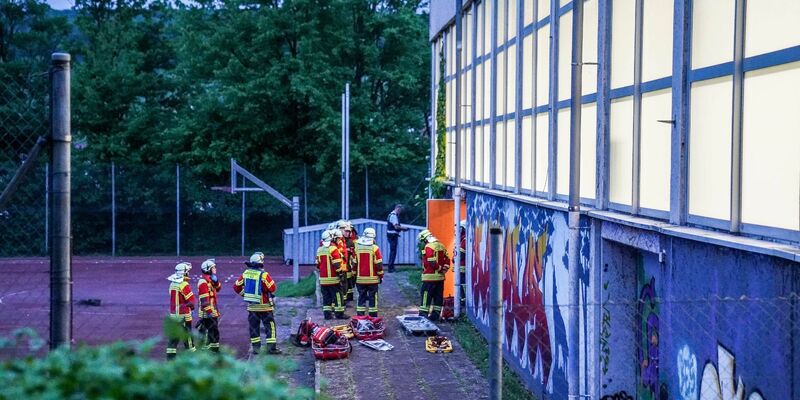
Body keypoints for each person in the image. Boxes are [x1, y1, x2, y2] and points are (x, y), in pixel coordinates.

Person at [233, 252, 282, 355]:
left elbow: (236, 287)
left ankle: (256, 349)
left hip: (252, 307)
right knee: (270, 326)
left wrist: (245, 295)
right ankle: (271, 348)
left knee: (254, 327)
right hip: (265, 307)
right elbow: (272, 288)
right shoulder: (264, 275)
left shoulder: (245, 274)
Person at [418, 230, 450, 321]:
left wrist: (439, 268)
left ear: (425, 239)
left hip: (429, 277)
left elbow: (431, 261)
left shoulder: (429, 246)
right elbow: (447, 259)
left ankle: (423, 315)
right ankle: (435, 316)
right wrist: (444, 270)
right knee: (438, 297)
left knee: (426, 296)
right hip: (440, 278)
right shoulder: (441, 245)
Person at [166, 262, 196, 359]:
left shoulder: (172, 284)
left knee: (173, 338)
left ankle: (170, 359)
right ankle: (192, 358)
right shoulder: (184, 284)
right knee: (188, 338)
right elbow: (191, 301)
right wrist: (192, 308)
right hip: (184, 316)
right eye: (187, 272)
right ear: (184, 273)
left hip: (173, 316)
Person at [317, 230, 349, 320]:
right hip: (334, 279)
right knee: (338, 296)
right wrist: (341, 273)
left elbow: (317, 264)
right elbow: (337, 264)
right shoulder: (333, 249)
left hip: (323, 280)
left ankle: (327, 315)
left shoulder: (319, 250)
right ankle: (339, 314)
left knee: (326, 298)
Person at [354, 227, 384, 317]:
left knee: (361, 297)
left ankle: (360, 316)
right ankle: (373, 316)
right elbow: (379, 264)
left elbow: (354, 263)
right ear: (373, 237)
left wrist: (354, 275)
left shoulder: (357, 248)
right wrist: (381, 275)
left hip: (360, 280)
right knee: (373, 298)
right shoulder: (375, 248)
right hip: (372, 280)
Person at [197, 258, 221, 352]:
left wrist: (216, 282)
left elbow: (218, 289)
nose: (215, 269)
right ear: (208, 269)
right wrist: (210, 312)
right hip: (207, 312)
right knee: (207, 332)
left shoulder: (210, 280)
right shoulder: (203, 282)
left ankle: (215, 350)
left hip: (213, 311)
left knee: (214, 332)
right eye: (213, 267)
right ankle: (205, 351)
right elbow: (204, 301)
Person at [386, 204, 409, 273]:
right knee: (393, 252)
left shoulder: (391, 215)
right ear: (398, 209)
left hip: (391, 235)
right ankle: (390, 268)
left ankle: (391, 266)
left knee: (393, 251)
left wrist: (401, 228)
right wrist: (404, 228)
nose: (400, 213)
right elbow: (396, 227)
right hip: (392, 235)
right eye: (400, 211)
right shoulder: (393, 216)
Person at [456, 220, 467, 307]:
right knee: (460, 285)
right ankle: (462, 300)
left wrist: (454, 259)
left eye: (459, 228)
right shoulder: (461, 240)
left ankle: (465, 301)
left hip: (463, 268)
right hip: (460, 267)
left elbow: (461, 255)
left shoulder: (465, 240)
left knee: (463, 284)